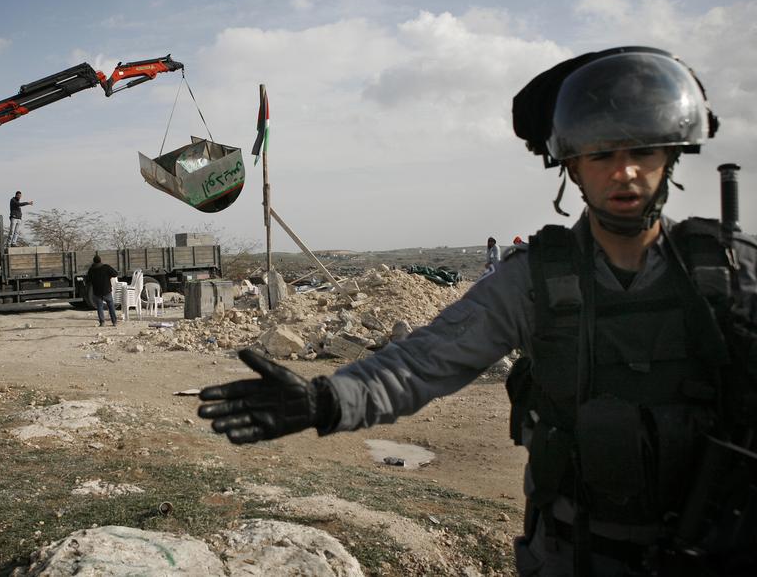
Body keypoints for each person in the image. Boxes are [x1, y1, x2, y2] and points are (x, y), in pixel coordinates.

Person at [198, 47, 756, 576]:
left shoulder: (734, 272)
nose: (625, 172)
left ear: (671, 156)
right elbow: (425, 361)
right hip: (575, 558)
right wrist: (327, 400)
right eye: (602, 154)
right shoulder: (535, 281)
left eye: (642, 152)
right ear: (571, 165)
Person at [86, 254, 119, 327]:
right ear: (100, 260)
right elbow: (115, 274)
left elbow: (88, 280)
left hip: (97, 291)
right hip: (107, 290)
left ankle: (102, 322)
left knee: (100, 307)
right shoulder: (106, 267)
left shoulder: (91, 269)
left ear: (94, 262)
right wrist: (108, 276)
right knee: (111, 306)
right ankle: (114, 322)